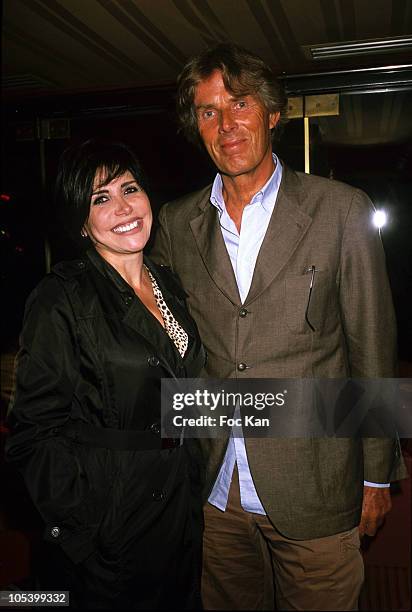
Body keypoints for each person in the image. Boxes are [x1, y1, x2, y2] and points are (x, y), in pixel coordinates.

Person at [151, 43, 406, 611]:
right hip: (216, 493)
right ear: (196, 126)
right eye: (208, 110)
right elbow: (174, 350)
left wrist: (377, 475)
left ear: (271, 113)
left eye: (239, 103)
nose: (226, 124)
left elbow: (372, 348)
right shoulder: (175, 222)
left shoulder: (342, 209)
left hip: (316, 487)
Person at [6, 139, 205, 610]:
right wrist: (83, 535)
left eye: (129, 188)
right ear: (82, 222)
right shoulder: (62, 298)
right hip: (111, 533)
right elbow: (32, 436)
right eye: (101, 199)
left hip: (180, 516)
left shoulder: (169, 284)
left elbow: (182, 394)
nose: (124, 207)